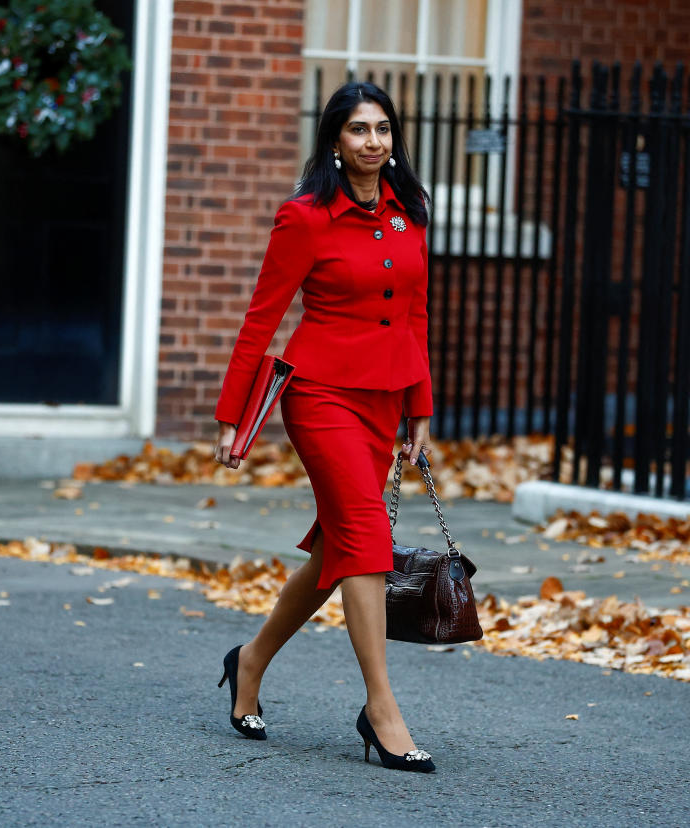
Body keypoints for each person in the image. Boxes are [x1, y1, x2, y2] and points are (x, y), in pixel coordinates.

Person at [212, 81, 436, 773]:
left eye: (383, 129)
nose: (374, 141)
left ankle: (248, 662)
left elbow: (415, 316)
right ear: (334, 142)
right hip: (320, 396)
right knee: (367, 538)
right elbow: (261, 319)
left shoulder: (409, 213)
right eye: (359, 130)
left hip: (382, 401)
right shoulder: (305, 217)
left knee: (340, 549)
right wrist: (232, 417)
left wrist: (420, 406)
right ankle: (381, 709)